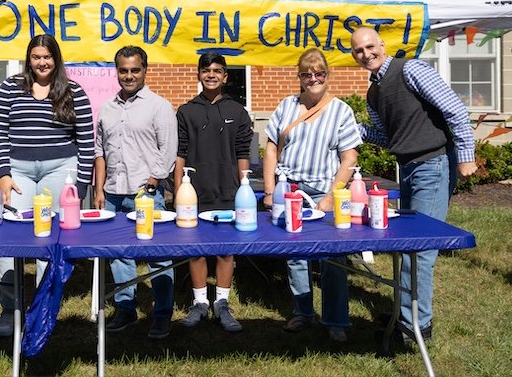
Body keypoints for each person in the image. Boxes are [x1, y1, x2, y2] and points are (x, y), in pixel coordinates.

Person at [349, 27, 476, 344]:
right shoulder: (373, 93)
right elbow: (389, 138)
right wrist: (354, 128)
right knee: (405, 245)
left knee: (419, 250)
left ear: (382, 45)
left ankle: (414, 328)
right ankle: (406, 313)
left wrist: (465, 156)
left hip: (432, 165)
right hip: (406, 168)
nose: (366, 54)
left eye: (370, 47)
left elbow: (455, 109)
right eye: (359, 51)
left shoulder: (411, 69)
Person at [0, 34, 94, 338]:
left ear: (56, 59)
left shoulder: (74, 91)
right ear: (29, 58)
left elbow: (87, 141)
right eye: (36, 57)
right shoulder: (10, 88)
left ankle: (42, 310)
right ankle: (10, 311)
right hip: (18, 173)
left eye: (47, 57)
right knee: (10, 241)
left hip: (60, 171)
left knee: (47, 243)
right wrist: (2, 174)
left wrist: (81, 183)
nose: (42, 62)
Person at [262, 48, 362, 342]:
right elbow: (271, 149)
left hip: (324, 190)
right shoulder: (286, 106)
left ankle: (336, 320)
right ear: (300, 77)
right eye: (307, 74)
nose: (313, 79)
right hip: (289, 189)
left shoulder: (341, 110)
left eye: (319, 73)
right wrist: (270, 190)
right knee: (295, 255)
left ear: (327, 75)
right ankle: (302, 312)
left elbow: (348, 158)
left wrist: (332, 197)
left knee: (333, 256)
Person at [93, 46, 177, 339]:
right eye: (123, 70)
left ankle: (163, 314)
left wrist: (152, 183)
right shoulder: (106, 108)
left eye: (135, 70)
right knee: (119, 256)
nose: (129, 76)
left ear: (145, 70)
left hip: (146, 193)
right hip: (113, 192)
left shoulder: (159, 106)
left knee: (158, 256)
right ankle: (125, 309)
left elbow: (167, 152)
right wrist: (99, 189)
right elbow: (99, 152)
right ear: (116, 71)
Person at [173, 52, 251, 333]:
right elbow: (179, 153)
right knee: (196, 251)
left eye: (218, 70)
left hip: (229, 190)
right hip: (193, 192)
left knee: (225, 251)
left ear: (226, 76)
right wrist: (178, 186)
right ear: (198, 74)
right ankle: (199, 303)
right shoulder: (185, 111)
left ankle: (222, 302)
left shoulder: (238, 111)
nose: (211, 75)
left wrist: (245, 187)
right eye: (206, 70)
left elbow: (243, 152)